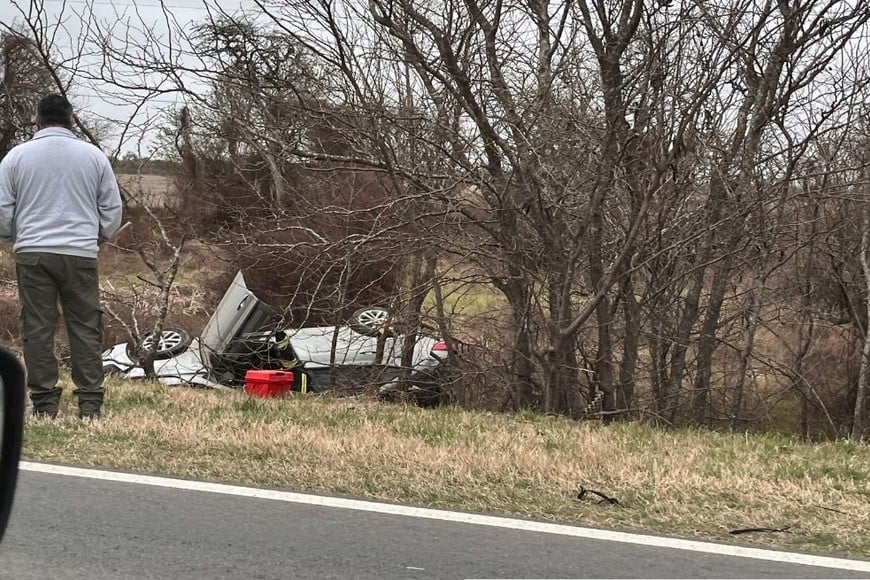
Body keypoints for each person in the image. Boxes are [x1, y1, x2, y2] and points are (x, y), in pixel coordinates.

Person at [0, 94, 123, 419]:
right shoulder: (93, 156)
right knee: (85, 326)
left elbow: (2, 210)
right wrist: (95, 238)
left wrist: (17, 235)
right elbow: (112, 208)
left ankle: (44, 404)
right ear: (71, 120)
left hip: (32, 253)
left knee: (38, 327)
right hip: (80, 252)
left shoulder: (16, 157)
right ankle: (90, 404)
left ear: (36, 120)